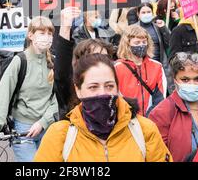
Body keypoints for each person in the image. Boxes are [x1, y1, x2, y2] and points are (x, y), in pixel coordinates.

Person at [34, 54, 172, 162]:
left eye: (109, 86)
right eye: (93, 87)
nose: (102, 93)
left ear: (118, 88)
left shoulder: (144, 130)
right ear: (78, 90)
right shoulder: (60, 135)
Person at [0, 16, 58, 162]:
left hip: (49, 127)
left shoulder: (54, 62)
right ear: (31, 35)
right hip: (22, 129)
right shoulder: (20, 61)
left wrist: (43, 122)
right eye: (42, 33)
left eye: (50, 34)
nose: (47, 38)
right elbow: (3, 95)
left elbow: (58, 98)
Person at [149, 52, 198, 162]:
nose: (192, 84)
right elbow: (157, 155)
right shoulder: (162, 113)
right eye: (185, 80)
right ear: (175, 80)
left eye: (197, 79)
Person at [54, 6, 114, 119]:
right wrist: (65, 27)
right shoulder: (72, 86)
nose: (101, 61)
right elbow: (62, 71)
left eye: (104, 57)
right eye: (95, 56)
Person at [114, 25, 167, 116]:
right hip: (126, 117)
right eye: (137, 42)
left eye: (144, 42)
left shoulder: (157, 66)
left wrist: (149, 117)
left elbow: (160, 96)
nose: (141, 45)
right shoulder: (117, 68)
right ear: (127, 45)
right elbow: (116, 96)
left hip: (151, 118)